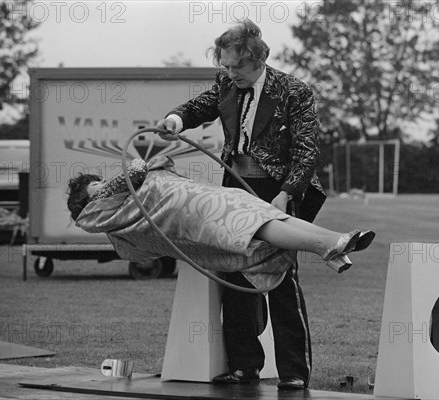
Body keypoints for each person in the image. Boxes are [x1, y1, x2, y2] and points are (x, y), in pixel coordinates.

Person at [155, 19, 328, 389]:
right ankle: (244, 365)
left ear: (258, 59)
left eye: (237, 67)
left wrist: (287, 193)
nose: (230, 73)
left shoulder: (294, 91)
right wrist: (175, 119)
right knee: (233, 273)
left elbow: (307, 150)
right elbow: (201, 106)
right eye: (225, 66)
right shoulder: (225, 84)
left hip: (279, 189)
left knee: (280, 276)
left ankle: (295, 373)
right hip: (235, 188)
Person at [66, 156, 375, 281]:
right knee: (257, 225)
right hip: (193, 210)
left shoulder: (112, 222)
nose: (104, 187)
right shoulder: (100, 209)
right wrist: (150, 164)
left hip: (199, 203)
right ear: (87, 200)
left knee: (266, 218)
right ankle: (330, 245)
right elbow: (134, 169)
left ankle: (333, 242)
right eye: (97, 187)